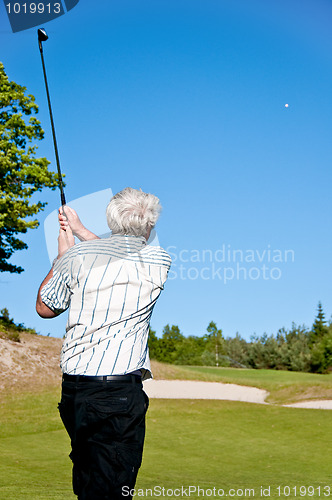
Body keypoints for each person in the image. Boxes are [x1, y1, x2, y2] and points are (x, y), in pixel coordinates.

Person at [36, 187, 171, 500]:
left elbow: (45, 307)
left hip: (74, 394)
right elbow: (116, 256)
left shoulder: (79, 259)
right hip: (118, 397)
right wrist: (79, 236)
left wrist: (63, 255)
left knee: (89, 482)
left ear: (111, 220)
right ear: (150, 225)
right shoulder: (158, 260)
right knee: (112, 489)